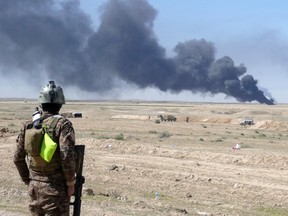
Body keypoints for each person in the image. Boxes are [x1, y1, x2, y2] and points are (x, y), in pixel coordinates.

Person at [14, 81, 76, 216]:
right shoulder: (63, 125)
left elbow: (18, 158)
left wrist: (29, 180)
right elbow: (67, 157)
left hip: (34, 189)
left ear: (41, 104)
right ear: (60, 104)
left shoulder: (28, 125)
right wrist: (71, 183)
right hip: (56, 190)